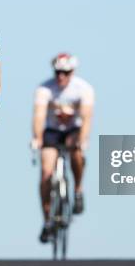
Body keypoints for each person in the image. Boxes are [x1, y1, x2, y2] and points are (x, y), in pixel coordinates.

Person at [32, 53, 94, 243]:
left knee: (76, 150)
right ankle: (47, 221)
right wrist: (37, 138)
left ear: (72, 72)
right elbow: (39, 116)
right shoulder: (45, 88)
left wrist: (83, 140)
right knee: (46, 174)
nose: (61, 76)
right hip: (52, 131)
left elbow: (86, 118)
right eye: (58, 72)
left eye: (65, 73)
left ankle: (78, 190)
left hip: (73, 131)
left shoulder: (83, 88)